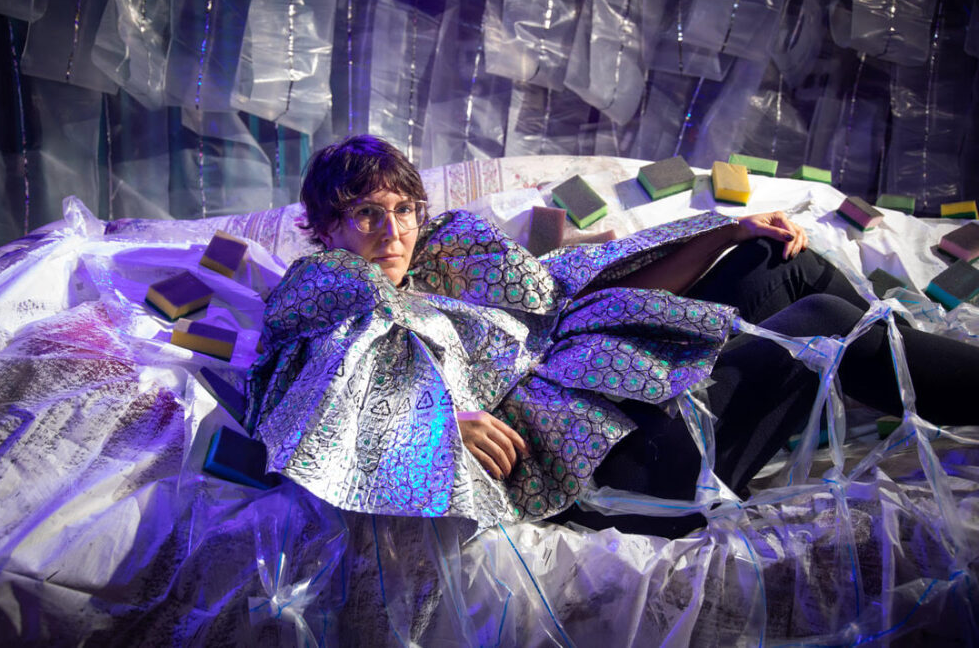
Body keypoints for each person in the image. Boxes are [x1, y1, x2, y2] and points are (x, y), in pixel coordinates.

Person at [246, 135, 979, 537]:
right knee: (824, 324)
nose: (393, 231)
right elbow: (312, 406)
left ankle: (907, 374)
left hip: (621, 391)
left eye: (403, 210)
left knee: (779, 262)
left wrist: (723, 233)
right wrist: (437, 424)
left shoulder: (445, 270)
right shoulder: (329, 297)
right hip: (623, 466)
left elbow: (583, 303)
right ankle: (897, 375)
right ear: (325, 228)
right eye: (367, 214)